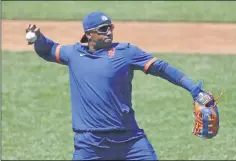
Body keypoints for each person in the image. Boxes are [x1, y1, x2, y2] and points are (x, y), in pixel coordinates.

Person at [25, 11, 210, 160]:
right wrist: (39, 38)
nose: (109, 32)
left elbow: (161, 68)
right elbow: (48, 50)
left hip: (130, 140)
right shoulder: (73, 54)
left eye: (110, 27)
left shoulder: (126, 52)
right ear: (89, 34)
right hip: (91, 144)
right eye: (103, 29)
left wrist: (193, 89)